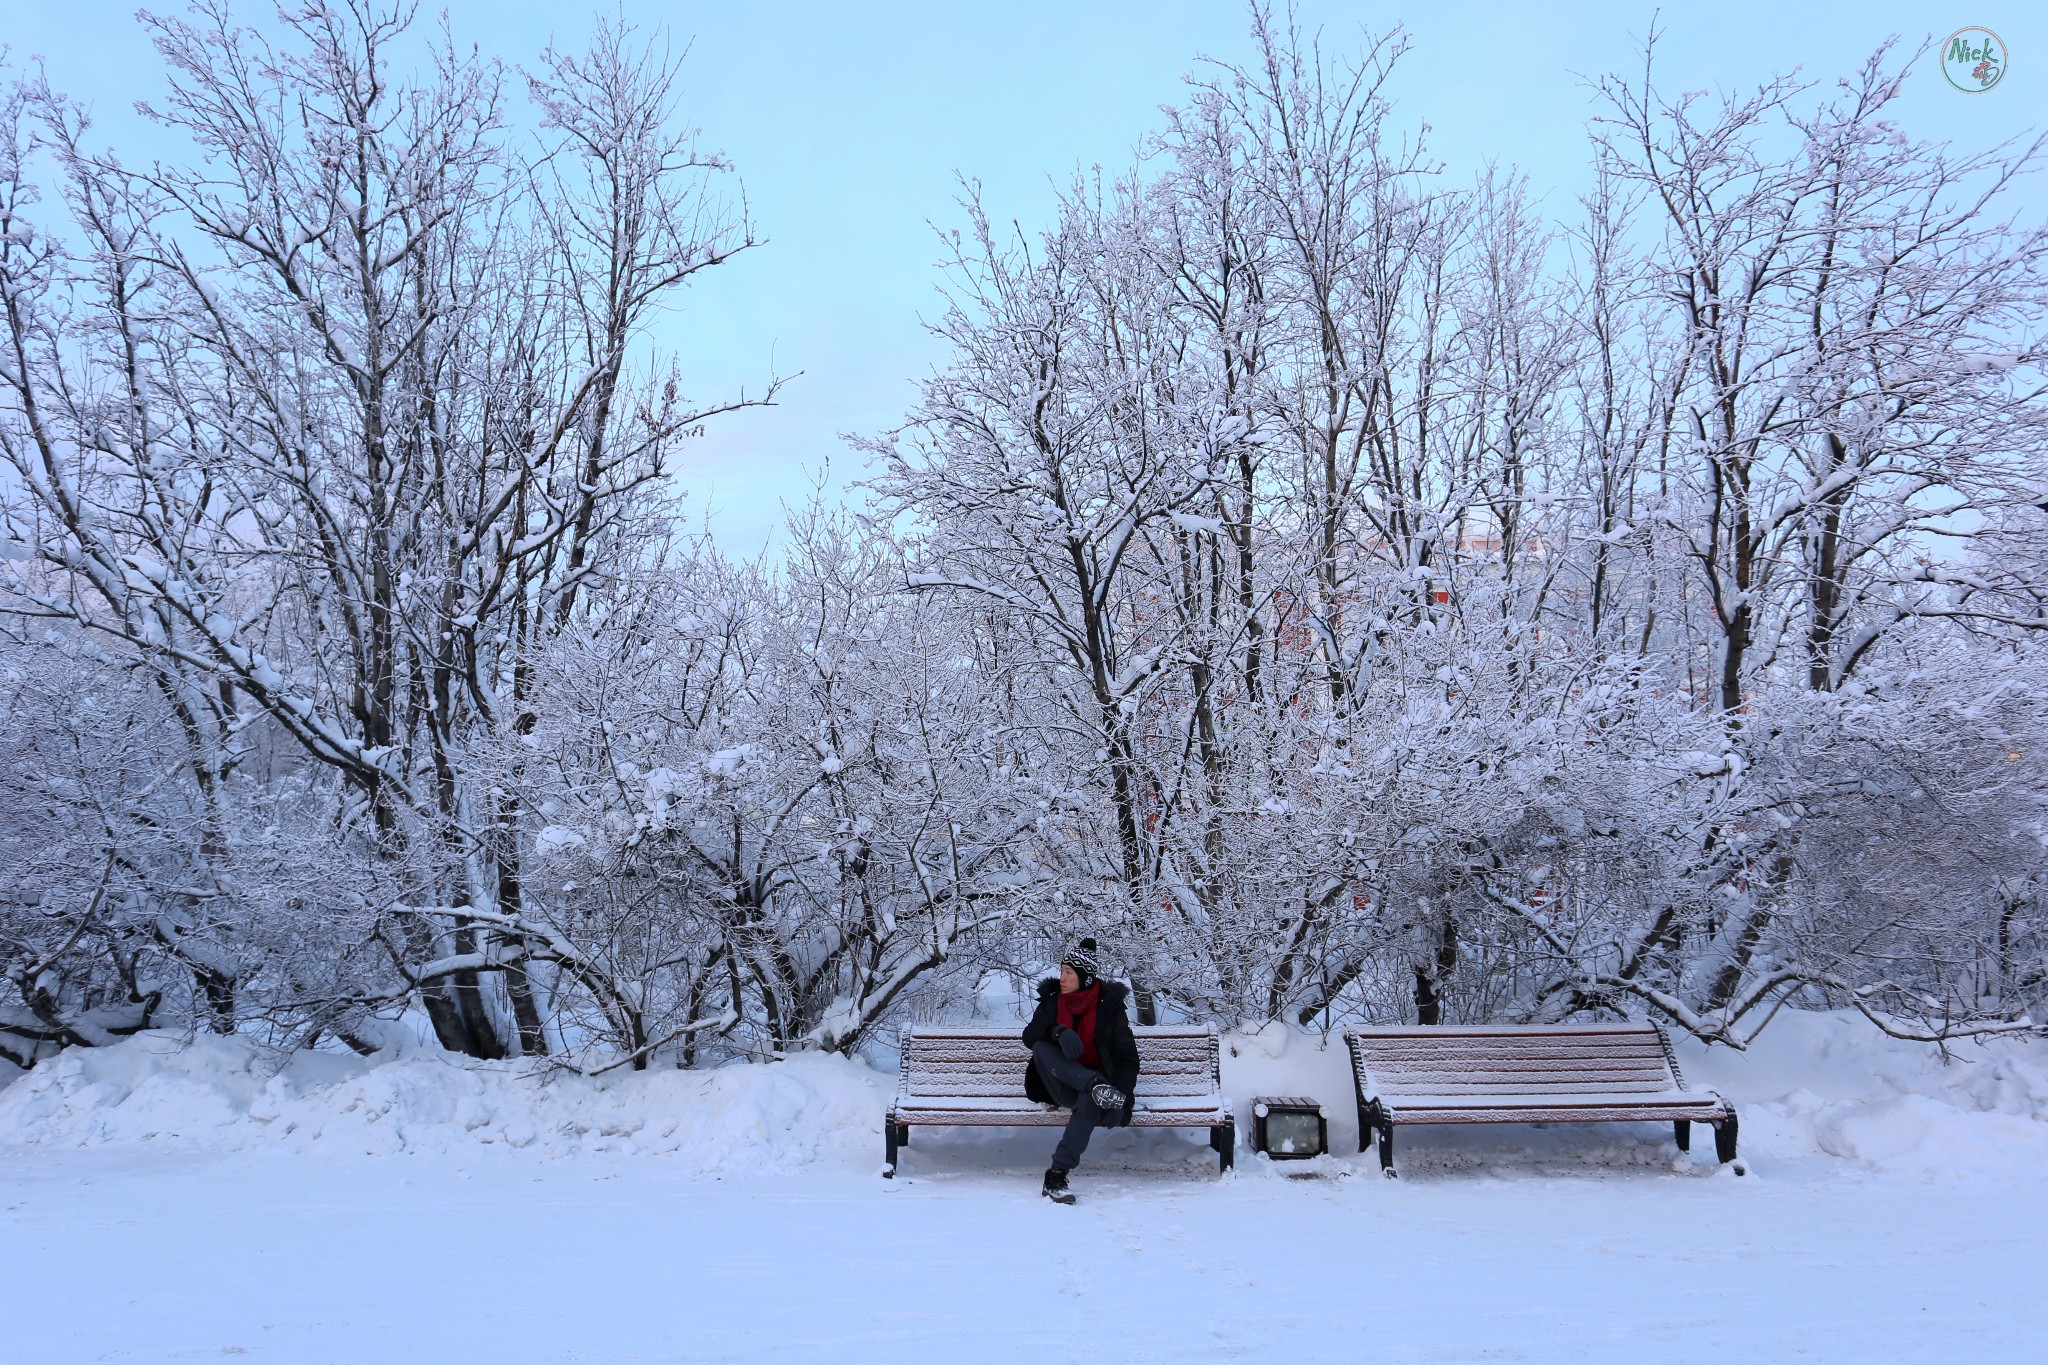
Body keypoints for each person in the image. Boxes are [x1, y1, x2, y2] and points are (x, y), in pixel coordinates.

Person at [1020, 937, 1140, 1204]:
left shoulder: (1108, 1007)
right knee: (1041, 1046)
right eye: (1062, 970)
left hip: (1098, 1091)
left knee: (1091, 1099)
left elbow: (1126, 1058)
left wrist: (1121, 1098)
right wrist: (1057, 1031)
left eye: (1068, 973)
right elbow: (1030, 1037)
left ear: (1084, 977)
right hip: (1059, 1082)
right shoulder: (1052, 1002)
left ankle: (1056, 1175)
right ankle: (1094, 1084)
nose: (1061, 978)